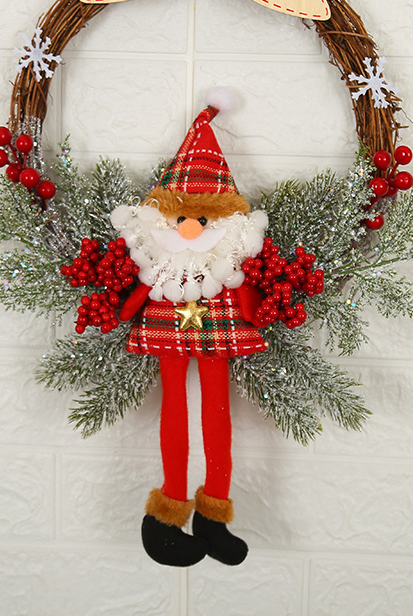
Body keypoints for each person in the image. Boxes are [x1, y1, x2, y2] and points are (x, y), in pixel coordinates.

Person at [110, 94, 267, 566]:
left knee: (218, 414)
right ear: (162, 218)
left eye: (203, 219)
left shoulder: (228, 267)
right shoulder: (159, 267)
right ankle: (166, 514)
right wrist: (120, 308)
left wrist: (260, 311)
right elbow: (132, 301)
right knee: (174, 411)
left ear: (226, 222)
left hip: (216, 337)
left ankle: (214, 515)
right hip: (168, 335)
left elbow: (250, 301)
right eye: (181, 219)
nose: (192, 230)